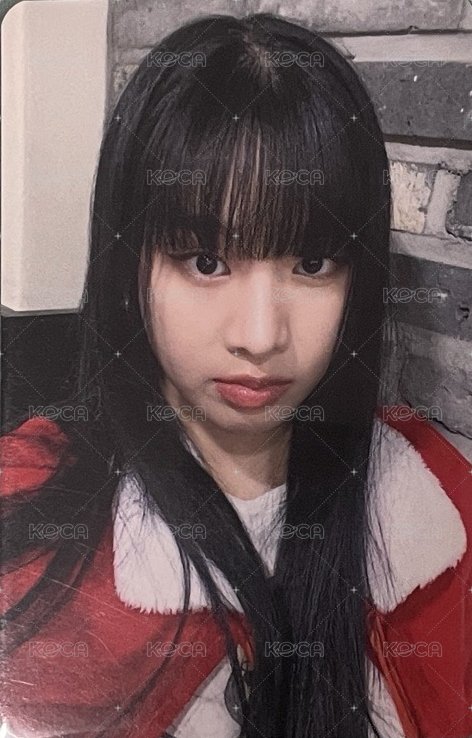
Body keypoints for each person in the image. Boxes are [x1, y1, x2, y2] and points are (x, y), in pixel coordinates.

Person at [1, 12, 471, 738]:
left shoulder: (441, 510)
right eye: (206, 261)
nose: (259, 337)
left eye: (311, 263)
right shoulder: (26, 509)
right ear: (129, 262)